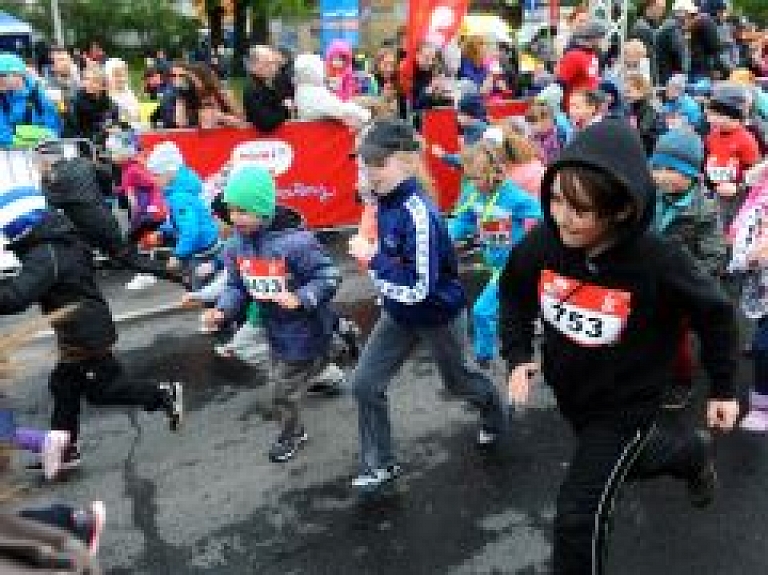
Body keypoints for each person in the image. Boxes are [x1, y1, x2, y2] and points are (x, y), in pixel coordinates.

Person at [499, 119, 741, 575]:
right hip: (574, 395)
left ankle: (682, 454)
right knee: (630, 461)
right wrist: (518, 357)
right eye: (556, 200)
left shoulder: (659, 260)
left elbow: (715, 311)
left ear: (621, 208)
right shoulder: (544, 242)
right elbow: (513, 292)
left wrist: (724, 388)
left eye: (579, 209)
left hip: (627, 405)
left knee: (579, 514)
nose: (562, 217)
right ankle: (690, 455)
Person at [347, 119, 507, 492]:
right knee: (364, 384)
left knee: (459, 382)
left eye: (378, 163)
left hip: (437, 313)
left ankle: (495, 411)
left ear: (406, 162)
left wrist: (372, 258)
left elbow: (419, 288)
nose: (370, 172)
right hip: (399, 312)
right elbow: (369, 193)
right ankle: (380, 464)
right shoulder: (383, 194)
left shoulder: (420, 214)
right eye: (365, 163)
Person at [0, 150, 183, 474]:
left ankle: (161, 394)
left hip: (84, 333)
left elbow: (16, 297)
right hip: (83, 328)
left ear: (19, 227)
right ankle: (65, 449)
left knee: (101, 389)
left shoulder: (46, 253)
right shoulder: (58, 242)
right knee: (64, 386)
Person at [204, 165, 342, 462]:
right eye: (231, 210)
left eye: (243, 210)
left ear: (263, 209)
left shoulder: (297, 243)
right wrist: (222, 310)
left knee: (281, 392)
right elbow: (237, 286)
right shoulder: (235, 246)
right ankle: (337, 345)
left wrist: (301, 297)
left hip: (305, 328)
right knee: (296, 374)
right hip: (273, 329)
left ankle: (292, 434)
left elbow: (329, 276)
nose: (234, 217)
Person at [450, 141, 542, 366]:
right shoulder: (473, 193)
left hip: (512, 266)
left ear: (493, 173)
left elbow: (543, 215)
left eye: (476, 178)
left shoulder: (513, 196)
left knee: (482, 311)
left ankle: (484, 357)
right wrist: (445, 237)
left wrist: (535, 245)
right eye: (469, 177)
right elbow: (463, 220)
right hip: (493, 262)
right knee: (513, 310)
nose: (472, 183)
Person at [145, 141, 220, 291]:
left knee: (200, 290)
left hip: (201, 252)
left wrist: (178, 255)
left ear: (170, 172)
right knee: (203, 286)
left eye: (156, 174)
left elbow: (190, 230)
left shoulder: (180, 197)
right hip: (205, 245)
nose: (152, 179)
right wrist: (164, 231)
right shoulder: (182, 189)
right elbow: (180, 221)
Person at [729, 160, 768, 431]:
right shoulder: (758, 207)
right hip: (763, 287)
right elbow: (738, 257)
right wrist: (752, 256)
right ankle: (762, 404)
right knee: (764, 344)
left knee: (764, 346)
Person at [705, 82, 761, 229]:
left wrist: (738, 187)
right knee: (719, 225)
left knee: (736, 227)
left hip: (739, 198)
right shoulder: (712, 136)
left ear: (736, 116)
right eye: (711, 114)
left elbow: (755, 174)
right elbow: (708, 160)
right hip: (718, 193)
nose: (712, 119)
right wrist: (710, 184)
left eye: (719, 115)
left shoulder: (747, 140)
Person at [0, 52, 61, 148]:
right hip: (9, 154)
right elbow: (3, 137)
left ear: (17, 74)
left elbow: (53, 133)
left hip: (41, 153)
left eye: (1, 75)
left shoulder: (40, 97)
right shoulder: (2, 98)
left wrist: (18, 132)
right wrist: (34, 136)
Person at [555, 22, 605, 113]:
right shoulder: (573, 56)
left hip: (589, 106)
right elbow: (560, 83)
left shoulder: (593, 54)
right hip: (576, 108)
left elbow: (593, 80)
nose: (601, 42)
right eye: (600, 38)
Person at [242, 45, 293, 132]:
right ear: (254, 65)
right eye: (268, 64)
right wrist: (285, 109)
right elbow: (266, 122)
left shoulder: (269, 84)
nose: (273, 68)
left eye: (274, 63)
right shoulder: (254, 89)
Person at [65, 66, 118, 145]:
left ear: (103, 86)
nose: (89, 83)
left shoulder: (109, 103)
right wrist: (102, 130)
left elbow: (114, 120)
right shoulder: (76, 102)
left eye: (95, 81)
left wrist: (113, 127)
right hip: (79, 142)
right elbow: (75, 130)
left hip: (102, 141)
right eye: (87, 79)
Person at [623, 72, 665, 155]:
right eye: (625, 91)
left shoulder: (650, 110)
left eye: (628, 91)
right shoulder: (630, 108)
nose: (625, 95)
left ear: (641, 91)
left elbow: (641, 133)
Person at [104, 58, 140, 127]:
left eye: (124, 74)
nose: (122, 78)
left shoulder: (128, 92)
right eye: (117, 75)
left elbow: (137, 116)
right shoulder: (104, 97)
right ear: (107, 77)